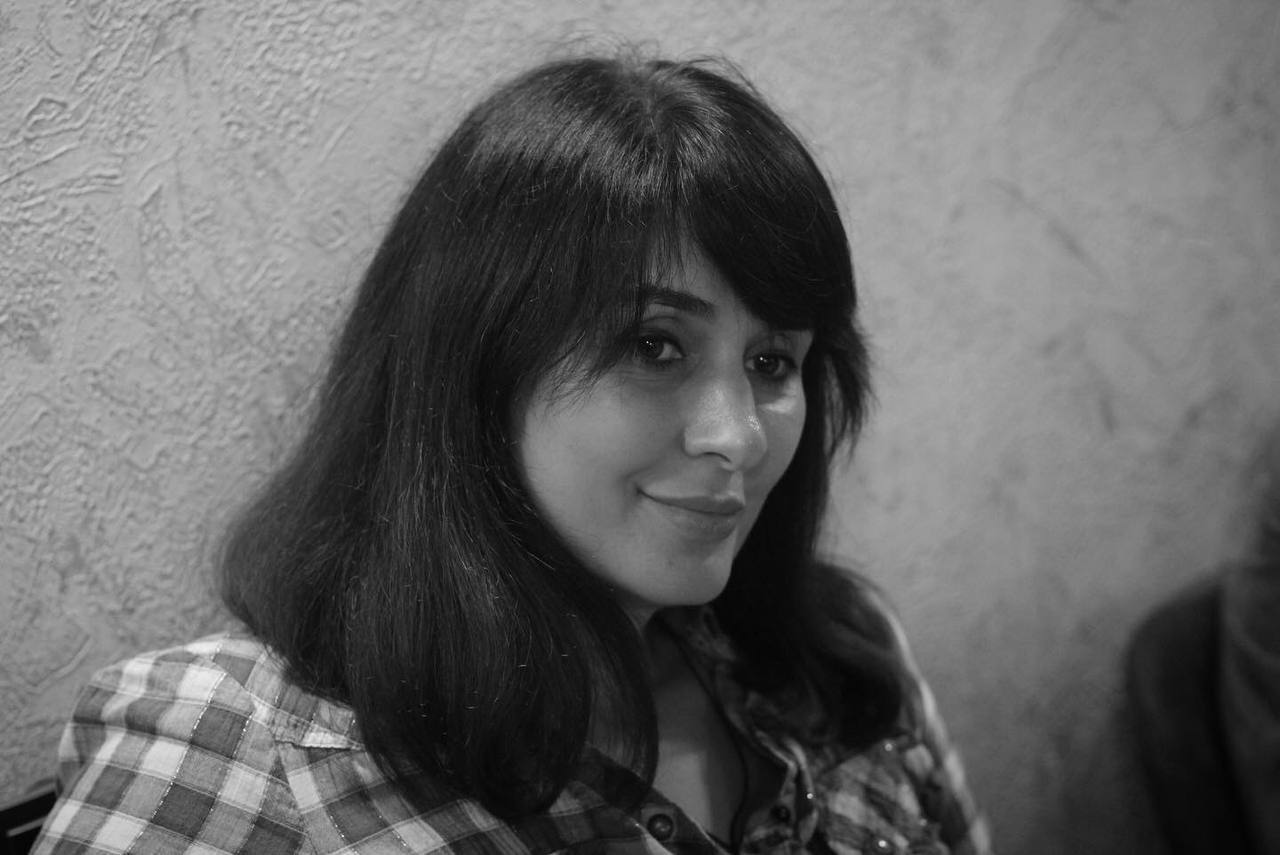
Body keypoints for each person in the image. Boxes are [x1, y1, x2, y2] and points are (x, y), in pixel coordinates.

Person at [33, 54, 991, 855]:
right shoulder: (233, 757)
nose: (737, 435)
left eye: (772, 361)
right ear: (479, 363)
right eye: (655, 345)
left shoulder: (840, 659)